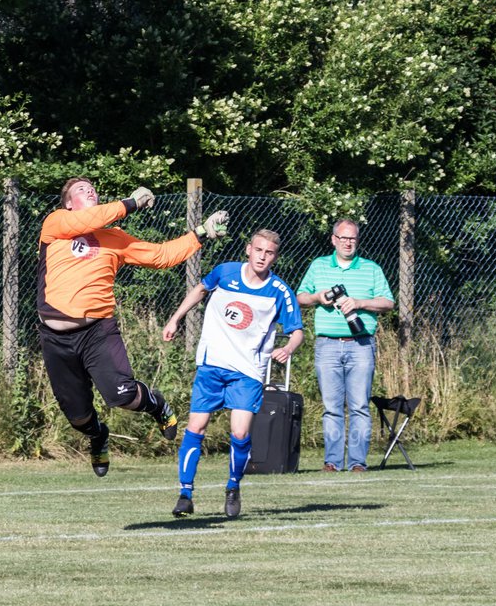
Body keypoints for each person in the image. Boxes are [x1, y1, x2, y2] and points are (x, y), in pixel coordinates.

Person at [37, 177, 229, 475]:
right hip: (55, 338)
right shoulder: (57, 223)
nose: (89, 190)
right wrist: (129, 203)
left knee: (122, 396)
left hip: (96, 332)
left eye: (92, 188)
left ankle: (157, 405)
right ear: (68, 204)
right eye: (80, 189)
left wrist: (201, 233)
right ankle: (97, 435)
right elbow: (91, 218)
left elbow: (162, 256)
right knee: (77, 415)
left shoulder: (115, 238)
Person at [162, 229, 303, 518]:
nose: (263, 257)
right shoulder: (225, 273)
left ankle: (233, 486)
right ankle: (185, 494)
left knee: (239, 432)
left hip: (247, 371)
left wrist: (288, 348)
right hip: (212, 365)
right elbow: (200, 290)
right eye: (259, 250)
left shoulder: (279, 291)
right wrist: (176, 318)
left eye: (270, 253)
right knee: (195, 428)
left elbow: (297, 332)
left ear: (275, 257)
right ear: (248, 249)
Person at [296, 218, 394, 473]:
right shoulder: (318, 266)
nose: (348, 242)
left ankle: (358, 462)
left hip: (361, 344)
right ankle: (332, 461)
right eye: (343, 238)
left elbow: (388, 303)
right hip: (327, 344)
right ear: (333, 240)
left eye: (352, 238)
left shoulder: (371, 268)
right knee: (332, 407)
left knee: (360, 405)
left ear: (357, 240)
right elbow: (299, 297)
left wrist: (359, 303)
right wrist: (318, 297)